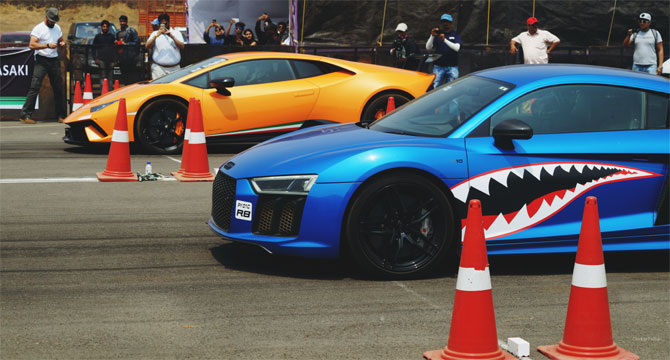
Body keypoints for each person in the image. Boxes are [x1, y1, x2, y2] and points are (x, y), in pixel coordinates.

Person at [20, 7, 67, 124]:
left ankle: (61, 115)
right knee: (34, 87)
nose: (52, 23)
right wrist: (46, 45)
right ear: (46, 18)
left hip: (53, 59)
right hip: (41, 60)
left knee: (58, 88)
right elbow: (32, 45)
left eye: (54, 21)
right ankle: (25, 115)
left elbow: (60, 40)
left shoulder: (57, 28)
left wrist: (62, 43)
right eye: (51, 21)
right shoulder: (38, 28)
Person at [145, 13, 185, 79]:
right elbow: (147, 46)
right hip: (158, 69)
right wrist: (156, 35)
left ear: (169, 22)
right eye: (162, 24)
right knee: (158, 88)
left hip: (174, 69)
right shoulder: (155, 33)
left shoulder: (176, 32)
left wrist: (171, 36)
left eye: (165, 24)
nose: (164, 26)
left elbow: (182, 46)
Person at [426, 13, 461, 88]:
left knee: (453, 87)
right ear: (441, 23)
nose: (445, 23)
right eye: (443, 22)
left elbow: (457, 48)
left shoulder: (455, 34)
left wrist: (444, 40)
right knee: (436, 86)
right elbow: (428, 47)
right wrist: (432, 36)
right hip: (438, 66)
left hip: (452, 66)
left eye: (447, 21)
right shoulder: (437, 35)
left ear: (451, 23)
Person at [116, 15, 140, 85]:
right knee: (123, 75)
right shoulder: (117, 32)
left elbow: (137, 43)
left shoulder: (132, 31)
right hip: (121, 56)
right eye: (121, 21)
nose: (122, 23)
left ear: (126, 22)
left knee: (131, 75)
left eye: (123, 21)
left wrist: (126, 44)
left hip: (131, 56)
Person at [93, 20, 116, 86]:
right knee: (102, 76)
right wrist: (95, 59)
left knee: (110, 77)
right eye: (103, 26)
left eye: (106, 26)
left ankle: (110, 92)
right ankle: (103, 92)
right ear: (101, 27)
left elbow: (115, 49)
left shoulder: (111, 37)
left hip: (111, 60)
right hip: (101, 59)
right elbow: (93, 49)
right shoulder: (98, 37)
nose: (105, 28)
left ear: (108, 28)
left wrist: (115, 60)